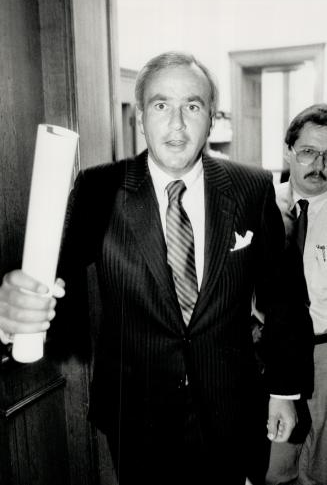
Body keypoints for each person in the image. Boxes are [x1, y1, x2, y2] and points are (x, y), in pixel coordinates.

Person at [0, 52, 312, 485]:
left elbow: (284, 296)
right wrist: (16, 305)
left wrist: (284, 390)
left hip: (231, 405)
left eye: (193, 106)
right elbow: (51, 274)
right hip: (135, 412)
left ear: (210, 117)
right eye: (161, 105)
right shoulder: (99, 188)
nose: (178, 124)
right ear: (140, 118)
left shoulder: (251, 186)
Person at [266, 104, 327, 485]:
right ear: (288, 150)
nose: (319, 164)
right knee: (274, 470)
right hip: (271, 356)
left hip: (326, 355)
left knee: (319, 471)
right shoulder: (258, 204)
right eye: (308, 152)